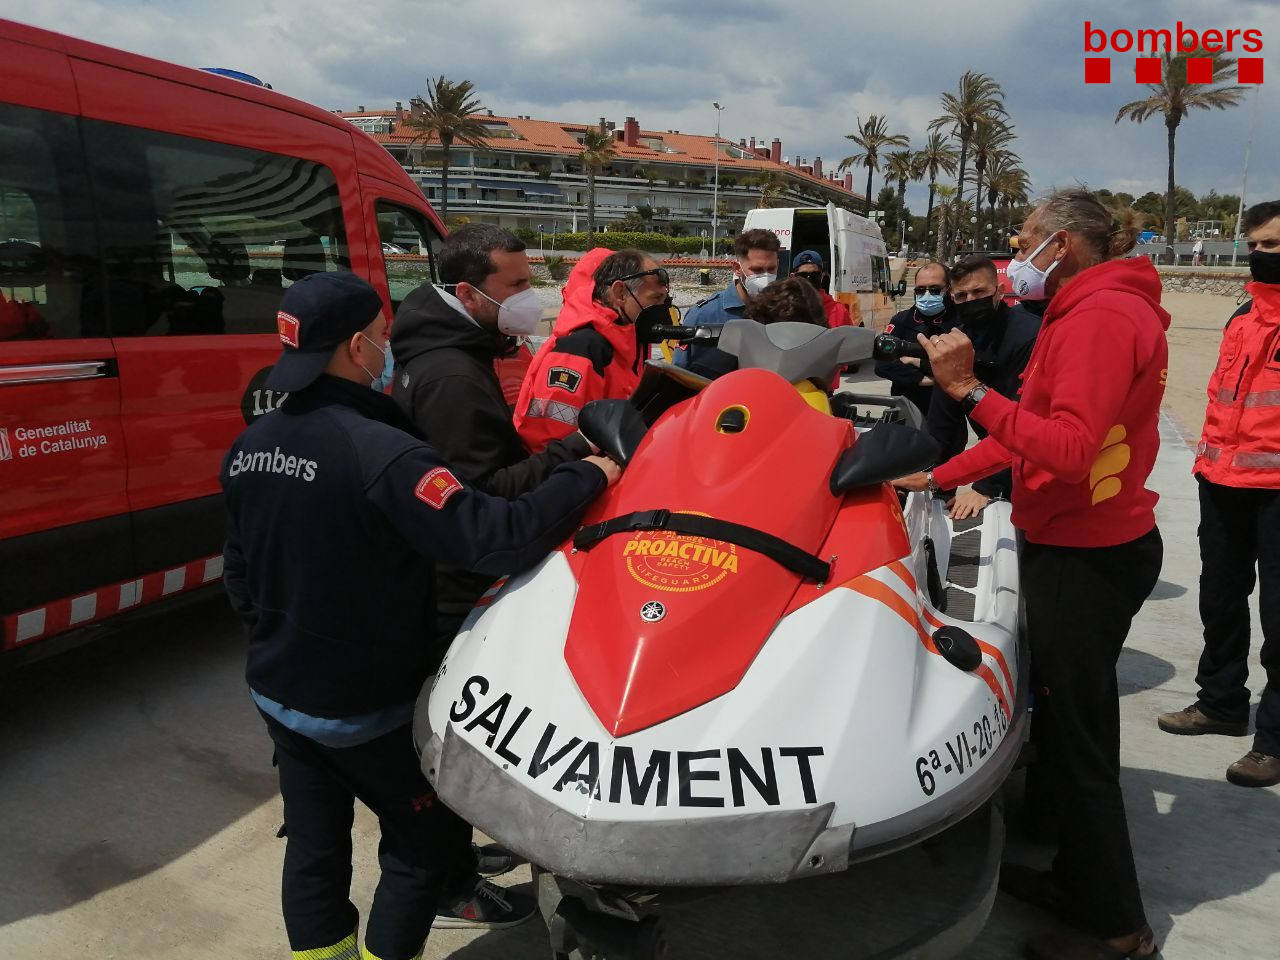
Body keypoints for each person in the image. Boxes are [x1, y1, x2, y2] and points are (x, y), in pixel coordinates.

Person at [221, 272, 619, 960]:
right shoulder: (384, 455)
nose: (387, 350)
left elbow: (239, 574)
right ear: (355, 347)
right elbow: (493, 535)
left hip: (279, 686)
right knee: (422, 846)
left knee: (315, 845)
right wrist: (588, 476)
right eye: (380, 337)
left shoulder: (251, 444)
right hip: (364, 704)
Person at [898, 189, 1167, 960]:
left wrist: (966, 391)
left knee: (1081, 740)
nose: (1017, 253)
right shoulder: (1086, 311)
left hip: (1087, 554)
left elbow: (1070, 447)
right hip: (1082, 538)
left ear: (1063, 245)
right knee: (1063, 722)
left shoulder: (1102, 319)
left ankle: (1117, 927)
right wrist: (941, 474)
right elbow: (1032, 431)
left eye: (1023, 238)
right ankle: (1075, 876)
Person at [1157, 200, 1280, 788]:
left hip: (1278, 491)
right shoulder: (1241, 316)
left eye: (1272, 246)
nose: (1258, 256)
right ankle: (1222, 703)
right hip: (1223, 483)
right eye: (1253, 245)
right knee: (1220, 601)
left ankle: (1275, 739)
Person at [513, 248, 670, 453]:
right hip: (579, 476)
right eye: (655, 299)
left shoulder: (629, 342)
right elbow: (548, 444)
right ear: (620, 293)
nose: (662, 308)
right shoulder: (580, 350)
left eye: (663, 300)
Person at [924, 254, 1042, 520]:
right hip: (994, 448)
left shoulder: (1028, 336)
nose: (971, 301)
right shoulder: (957, 339)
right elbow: (943, 424)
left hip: (1032, 460)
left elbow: (1024, 422)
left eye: (979, 292)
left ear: (999, 292)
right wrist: (936, 482)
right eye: (961, 296)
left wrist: (988, 487)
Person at [675, 228, 781, 378]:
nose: (766, 277)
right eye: (757, 270)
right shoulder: (704, 315)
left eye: (771, 269)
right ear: (737, 269)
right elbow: (679, 375)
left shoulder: (782, 311)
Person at [874, 260, 953, 417]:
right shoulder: (901, 320)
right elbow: (882, 364)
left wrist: (915, 361)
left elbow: (959, 368)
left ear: (949, 289)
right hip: (905, 411)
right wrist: (922, 379)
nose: (927, 295)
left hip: (945, 414)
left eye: (935, 289)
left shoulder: (958, 322)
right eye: (920, 290)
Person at [790, 249, 857, 327]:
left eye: (814, 275)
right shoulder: (785, 308)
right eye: (803, 276)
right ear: (793, 277)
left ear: (821, 277)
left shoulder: (839, 311)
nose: (809, 279)